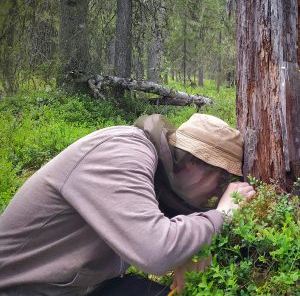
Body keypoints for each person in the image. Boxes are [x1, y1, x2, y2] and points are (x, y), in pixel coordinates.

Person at [0, 113, 255, 296]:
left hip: (84, 287)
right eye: (221, 179)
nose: (219, 192)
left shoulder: (162, 181)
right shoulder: (122, 152)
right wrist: (222, 216)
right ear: (193, 163)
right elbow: (156, 251)